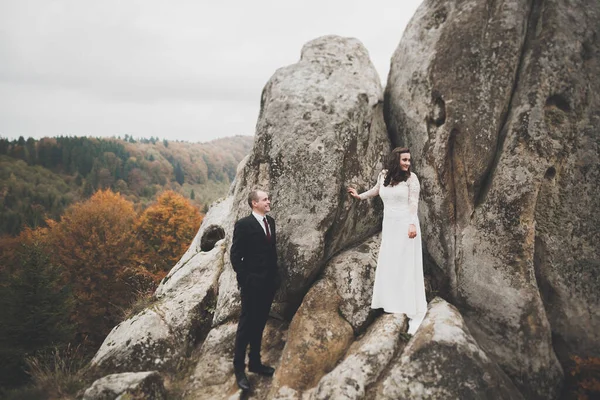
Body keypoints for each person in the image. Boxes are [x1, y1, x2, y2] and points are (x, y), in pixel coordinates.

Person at [347, 147, 427, 335]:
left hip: (407, 225)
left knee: (405, 263)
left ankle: (408, 303)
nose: (408, 163)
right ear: (395, 160)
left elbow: (413, 202)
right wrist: (360, 196)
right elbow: (376, 191)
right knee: (391, 262)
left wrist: (412, 224)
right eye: (404, 160)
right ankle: (392, 302)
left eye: (409, 160)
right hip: (390, 225)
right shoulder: (384, 175)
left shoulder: (412, 179)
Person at [230, 189, 279, 391]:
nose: (268, 201)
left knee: (259, 323)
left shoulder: (271, 222)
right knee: (245, 327)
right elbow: (235, 255)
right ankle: (239, 370)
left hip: (268, 283)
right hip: (252, 285)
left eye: (268, 198)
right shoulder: (243, 225)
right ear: (254, 203)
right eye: (264, 199)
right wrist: (245, 279)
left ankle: (256, 363)